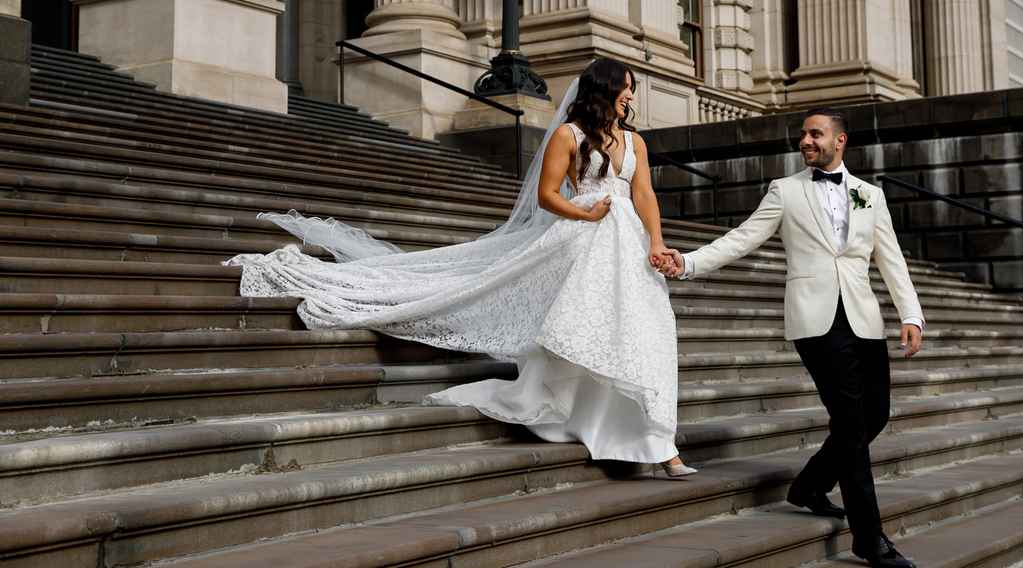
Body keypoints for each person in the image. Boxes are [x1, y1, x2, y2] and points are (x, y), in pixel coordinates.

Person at [228, 57, 696, 476]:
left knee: (641, 332)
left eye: (631, 89)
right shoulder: (567, 135)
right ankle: (609, 428)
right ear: (606, 91)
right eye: (626, 87)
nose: (631, 96)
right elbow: (547, 195)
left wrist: (656, 243)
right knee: (585, 329)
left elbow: (645, 196)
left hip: (627, 243)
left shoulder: (635, 142)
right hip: (582, 241)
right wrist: (586, 212)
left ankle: (655, 441)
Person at [660, 108, 923, 568]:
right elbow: (743, 238)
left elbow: (891, 258)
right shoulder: (786, 190)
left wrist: (911, 315)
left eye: (815, 134)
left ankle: (809, 486)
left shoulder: (870, 196)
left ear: (839, 141)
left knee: (874, 414)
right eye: (804, 134)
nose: (806, 141)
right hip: (815, 321)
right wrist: (690, 262)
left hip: (862, 317)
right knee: (851, 425)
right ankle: (868, 539)